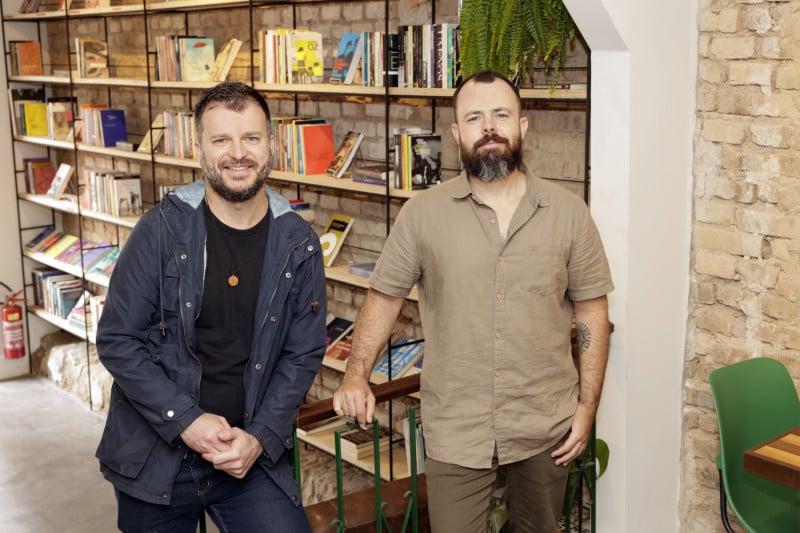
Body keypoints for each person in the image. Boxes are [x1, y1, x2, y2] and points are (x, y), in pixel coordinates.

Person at [332, 69, 613, 533]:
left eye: (501, 114)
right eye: (475, 117)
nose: (489, 127)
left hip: (545, 422)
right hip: (456, 425)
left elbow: (592, 311)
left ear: (522, 126)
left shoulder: (569, 213)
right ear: (457, 132)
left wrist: (586, 408)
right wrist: (356, 375)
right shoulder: (422, 215)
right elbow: (383, 298)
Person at [95, 81, 327, 532]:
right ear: (199, 150)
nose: (237, 153)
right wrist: (187, 422)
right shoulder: (161, 230)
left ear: (272, 146)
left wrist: (259, 438)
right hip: (156, 457)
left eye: (251, 138)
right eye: (221, 139)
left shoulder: (299, 242)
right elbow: (118, 340)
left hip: (245, 457)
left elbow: (302, 353)